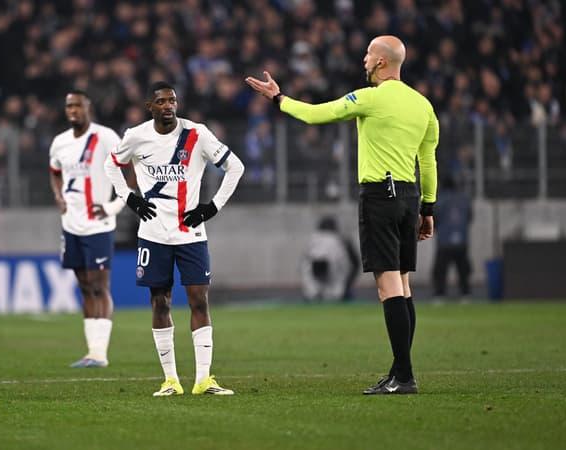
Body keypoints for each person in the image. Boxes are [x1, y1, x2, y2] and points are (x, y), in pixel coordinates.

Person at [246, 35, 438, 395]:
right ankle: (400, 370)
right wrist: (428, 208)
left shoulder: (369, 98)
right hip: (410, 195)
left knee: (388, 286)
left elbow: (317, 114)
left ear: (381, 62)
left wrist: (278, 98)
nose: (364, 59)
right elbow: (427, 162)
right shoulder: (423, 105)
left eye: (368, 54)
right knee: (404, 284)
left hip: (380, 194)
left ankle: (405, 376)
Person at [104, 81, 245, 396]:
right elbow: (111, 164)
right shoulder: (136, 136)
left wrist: (212, 207)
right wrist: (130, 198)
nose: (168, 106)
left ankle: (204, 379)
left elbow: (235, 167)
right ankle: (170, 380)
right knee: (160, 302)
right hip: (153, 235)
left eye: (172, 100)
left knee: (199, 299)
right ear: (149, 106)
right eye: (161, 101)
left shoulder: (197, 134)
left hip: (191, 234)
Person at [48, 90, 130, 368]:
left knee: (99, 284)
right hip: (70, 224)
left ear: (88, 107)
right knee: (84, 286)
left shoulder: (105, 137)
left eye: (78, 105)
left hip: (99, 224)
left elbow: (128, 169)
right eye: (69, 105)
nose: (73, 110)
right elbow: (54, 171)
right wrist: (58, 197)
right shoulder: (59, 142)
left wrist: (114, 206)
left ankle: (100, 353)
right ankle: (91, 351)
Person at [299, 216, 360, 302]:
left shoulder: (312, 241)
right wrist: (346, 285)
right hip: (332, 287)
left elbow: (303, 266)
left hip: (326, 284)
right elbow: (355, 264)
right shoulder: (341, 240)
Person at [432, 174, 472, 298]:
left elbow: (435, 218)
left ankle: (440, 294)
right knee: (463, 269)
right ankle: (465, 293)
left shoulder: (440, 200)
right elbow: (469, 217)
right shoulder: (463, 199)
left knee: (440, 269)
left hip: (444, 240)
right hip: (461, 239)